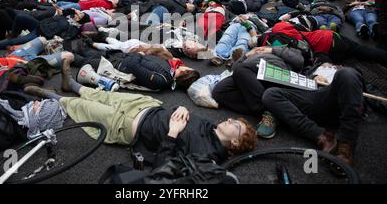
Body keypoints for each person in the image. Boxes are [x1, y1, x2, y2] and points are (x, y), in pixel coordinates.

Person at [23, 66, 258, 168]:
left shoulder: (206, 157)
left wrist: (173, 134)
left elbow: (164, 168)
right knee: (101, 95)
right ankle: (72, 83)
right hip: (146, 105)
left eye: (234, 125)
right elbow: (186, 116)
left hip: (129, 125)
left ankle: (51, 96)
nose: (229, 119)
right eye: (232, 119)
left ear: (235, 142)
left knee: (85, 108)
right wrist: (184, 110)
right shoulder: (209, 126)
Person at [262, 67, 365, 166]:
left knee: (348, 74)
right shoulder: (315, 62)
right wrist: (313, 76)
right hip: (312, 94)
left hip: (337, 94)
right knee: (270, 94)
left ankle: (346, 144)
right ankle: (321, 136)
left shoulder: (344, 66)